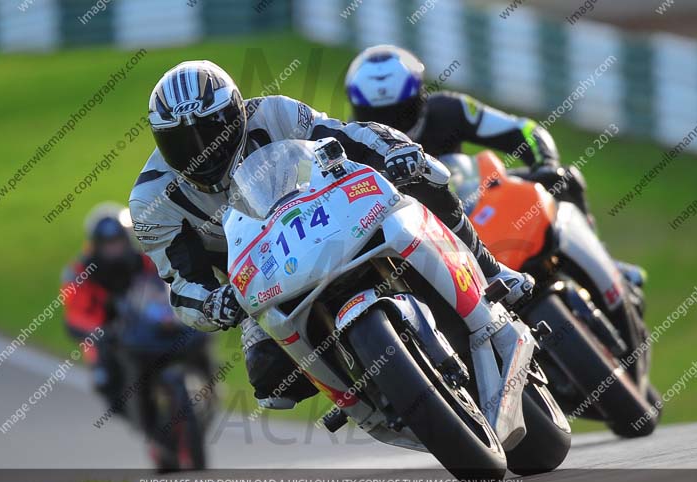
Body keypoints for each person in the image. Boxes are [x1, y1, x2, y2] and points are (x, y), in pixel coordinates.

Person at [128, 61, 534, 409]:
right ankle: (372, 395)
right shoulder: (151, 200)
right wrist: (212, 304)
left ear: (236, 115)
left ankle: (490, 268)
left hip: (329, 214)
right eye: (180, 141)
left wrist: (395, 149)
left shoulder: (274, 113)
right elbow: (182, 281)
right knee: (271, 381)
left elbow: (345, 135)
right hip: (259, 276)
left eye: (211, 130)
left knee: (424, 178)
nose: (202, 150)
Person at [344, 44, 644, 286]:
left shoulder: (449, 109)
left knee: (564, 179)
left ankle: (606, 264)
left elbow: (523, 130)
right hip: (426, 240)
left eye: (400, 111)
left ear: (419, 97)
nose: (391, 124)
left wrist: (545, 163)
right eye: (377, 115)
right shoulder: (350, 148)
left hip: (475, 199)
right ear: (358, 111)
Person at [62, 203, 211, 417]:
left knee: (198, 335)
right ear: (95, 245)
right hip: (109, 336)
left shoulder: (144, 260)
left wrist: (177, 311)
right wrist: (98, 332)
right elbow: (76, 313)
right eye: (107, 244)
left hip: (149, 324)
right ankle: (143, 421)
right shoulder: (79, 273)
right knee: (106, 381)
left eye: (117, 242)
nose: (113, 249)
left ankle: (210, 388)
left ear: (126, 239)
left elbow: (168, 285)